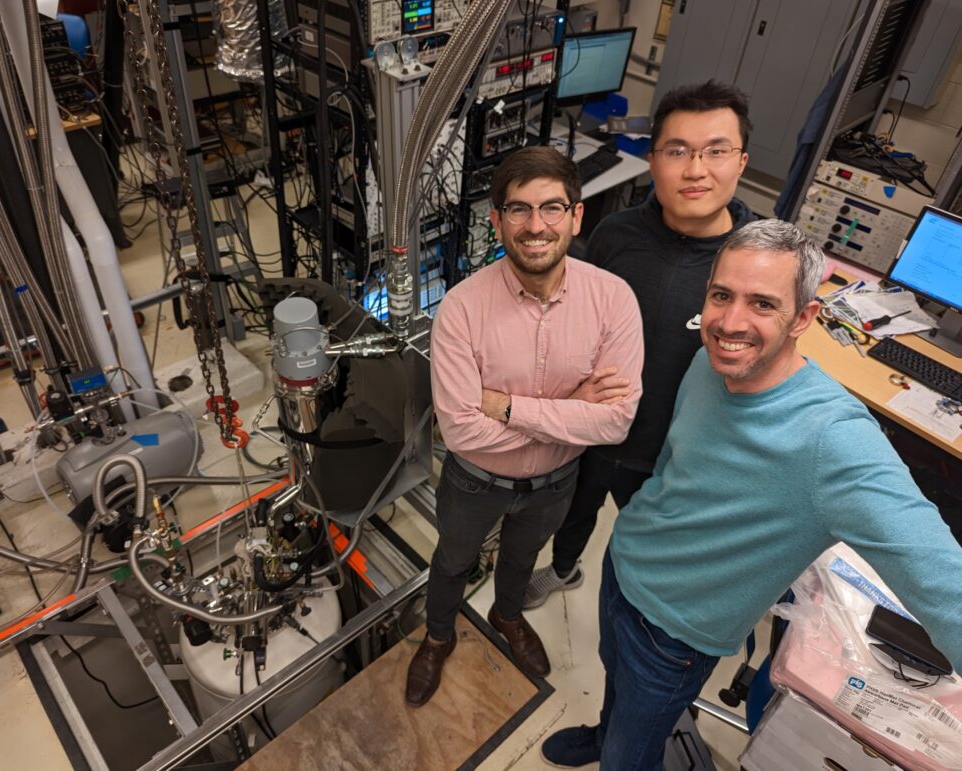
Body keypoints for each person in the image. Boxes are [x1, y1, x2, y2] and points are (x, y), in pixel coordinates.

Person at [540, 219, 962, 769]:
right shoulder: (707, 364)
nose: (730, 322)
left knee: (631, 755)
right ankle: (603, 731)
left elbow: (939, 574)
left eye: (762, 304)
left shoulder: (834, 439)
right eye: (721, 295)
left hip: (676, 634)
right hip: (625, 567)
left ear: (803, 319)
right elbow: (674, 468)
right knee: (613, 682)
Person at [405, 147, 644, 707]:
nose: (536, 226)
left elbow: (616, 421)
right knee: (453, 560)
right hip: (472, 481)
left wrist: (507, 407)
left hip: (556, 484)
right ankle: (438, 635)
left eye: (552, 208)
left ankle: (507, 615)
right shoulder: (462, 309)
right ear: (497, 220)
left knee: (521, 559)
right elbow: (461, 432)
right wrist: (572, 409)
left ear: (577, 215)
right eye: (518, 210)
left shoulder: (612, 301)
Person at [525, 80, 757, 608]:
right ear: (653, 160)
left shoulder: (757, 260)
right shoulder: (615, 235)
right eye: (678, 151)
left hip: (677, 451)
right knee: (575, 511)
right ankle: (564, 569)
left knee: (650, 545)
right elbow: (577, 319)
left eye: (716, 151)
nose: (696, 170)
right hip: (596, 428)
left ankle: (636, 597)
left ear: (741, 161)